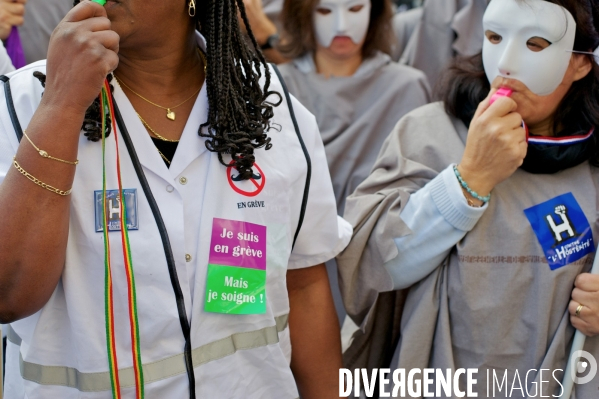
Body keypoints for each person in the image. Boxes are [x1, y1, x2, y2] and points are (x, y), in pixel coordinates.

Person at [0, 0, 352, 398]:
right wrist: (61, 102)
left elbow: (303, 284)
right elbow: (9, 295)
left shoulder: (267, 103)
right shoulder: (24, 103)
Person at [338, 0, 599, 395]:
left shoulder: (593, 162)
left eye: (536, 43)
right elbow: (366, 269)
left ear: (581, 62)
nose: (507, 64)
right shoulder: (427, 133)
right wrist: (469, 180)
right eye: (495, 37)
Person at [278, 0, 430, 216]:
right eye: (324, 10)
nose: (341, 26)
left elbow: (417, 189)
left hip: (376, 237)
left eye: (355, 9)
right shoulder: (275, 85)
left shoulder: (407, 87)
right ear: (302, 15)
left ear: (374, 12)